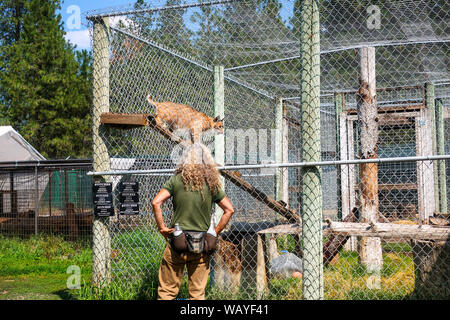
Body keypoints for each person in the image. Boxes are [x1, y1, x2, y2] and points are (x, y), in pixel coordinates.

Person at [152, 143, 234, 300]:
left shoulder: (176, 181)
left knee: (167, 292)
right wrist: (214, 232)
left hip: (177, 241)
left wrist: (162, 228)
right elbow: (229, 210)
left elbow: (156, 202)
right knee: (197, 294)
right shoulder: (212, 184)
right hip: (202, 245)